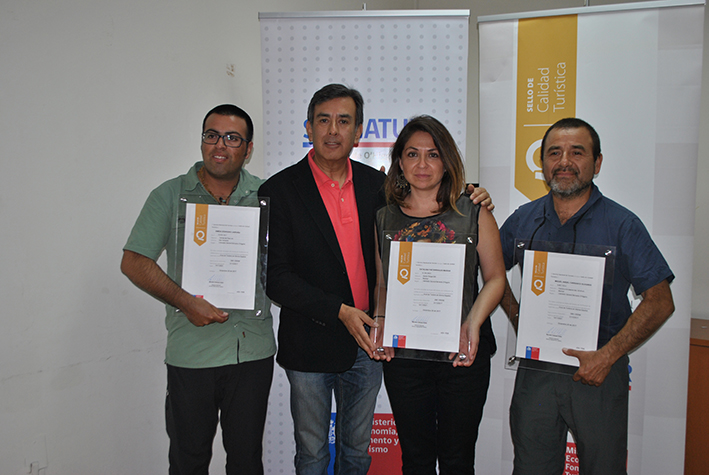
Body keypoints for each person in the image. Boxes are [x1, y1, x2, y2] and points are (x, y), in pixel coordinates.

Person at [258, 84, 493, 475]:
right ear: (308, 128)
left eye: (344, 121)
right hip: (310, 344)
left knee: (357, 453)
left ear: (358, 131)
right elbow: (276, 277)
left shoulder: (378, 188)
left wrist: (471, 193)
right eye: (323, 120)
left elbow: (429, 209)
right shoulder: (278, 190)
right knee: (312, 455)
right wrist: (340, 311)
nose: (333, 130)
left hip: (370, 344)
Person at [499, 118, 675, 475]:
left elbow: (660, 301)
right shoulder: (523, 220)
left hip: (598, 373)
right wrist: (519, 317)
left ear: (597, 163)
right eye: (554, 153)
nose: (564, 161)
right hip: (537, 373)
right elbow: (490, 274)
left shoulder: (622, 224)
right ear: (542, 163)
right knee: (531, 467)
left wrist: (607, 357)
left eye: (577, 152)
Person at [121, 104, 276, 475]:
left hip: (251, 352)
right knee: (188, 461)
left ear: (248, 149)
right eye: (211, 135)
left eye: (232, 138)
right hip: (192, 353)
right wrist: (186, 302)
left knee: (247, 462)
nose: (219, 145)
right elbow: (134, 261)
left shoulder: (268, 196)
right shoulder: (170, 194)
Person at [370, 116, 506, 475]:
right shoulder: (384, 218)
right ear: (399, 162)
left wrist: (472, 323)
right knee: (415, 460)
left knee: (457, 460)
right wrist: (380, 321)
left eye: (433, 154)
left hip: (461, 354)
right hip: (405, 359)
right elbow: (383, 284)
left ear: (447, 161)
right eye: (412, 154)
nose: (422, 164)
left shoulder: (474, 212)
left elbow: (496, 279)